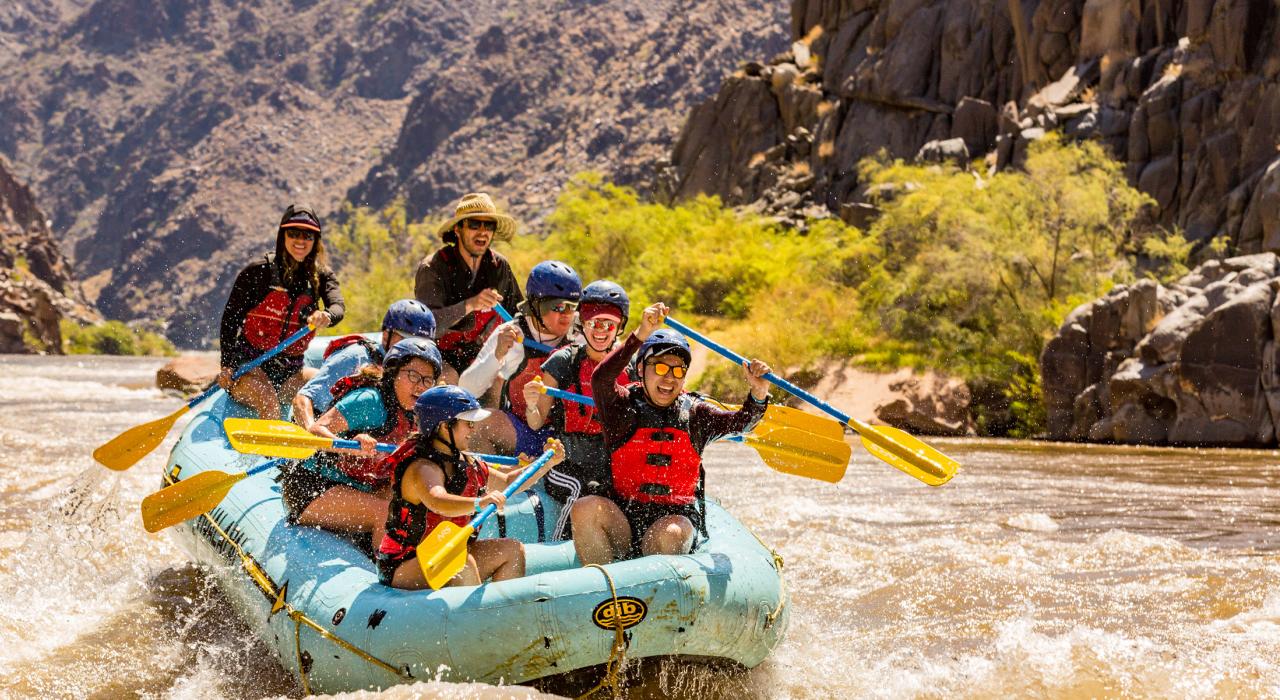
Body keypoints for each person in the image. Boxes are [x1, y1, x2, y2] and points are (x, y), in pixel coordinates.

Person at [571, 303, 773, 565]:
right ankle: (603, 595)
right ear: (642, 370)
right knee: (585, 508)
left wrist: (758, 394)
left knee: (671, 533)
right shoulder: (621, 407)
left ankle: (656, 597)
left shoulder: (697, 415)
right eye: (661, 367)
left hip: (671, 522)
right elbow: (601, 379)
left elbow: (743, 423)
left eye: (678, 370)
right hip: (623, 520)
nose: (669, 378)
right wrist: (641, 334)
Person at [376, 385, 565, 589]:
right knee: (462, 565)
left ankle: (505, 614)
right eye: (468, 423)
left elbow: (508, 482)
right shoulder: (422, 468)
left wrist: (546, 463)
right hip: (406, 564)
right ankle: (481, 619)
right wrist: (479, 502)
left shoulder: (466, 461)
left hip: (447, 555)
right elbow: (438, 501)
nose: (473, 429)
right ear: (444, 426)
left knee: (511, 551)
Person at [276, 338, 443, 549]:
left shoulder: (416, 415)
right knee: (384, 511)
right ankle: (387, 573)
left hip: (358, 486)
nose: (420, 386)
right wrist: (350, 444)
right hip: (313, 486)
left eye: (427, 380)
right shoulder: (369, 401)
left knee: (411, 504)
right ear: (393, 374)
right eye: (413, 376)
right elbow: (316, 432)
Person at [522, 280, 632, 540]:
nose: (601, 331)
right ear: (583, 324)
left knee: (612, 489)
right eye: (595, 323)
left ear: (619, 328)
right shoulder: (563, 361)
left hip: (607, 463)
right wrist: (530, 403)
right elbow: (536, 422)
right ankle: (559, 547)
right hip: (566, 462)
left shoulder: (632, 365)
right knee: (581, 488)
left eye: (609, 325)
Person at [218, 204, 344, 420]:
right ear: (282, 236)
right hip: (248, 368)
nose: (300, 240)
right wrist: (227, 364)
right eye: (293, 233)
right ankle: (270, 455)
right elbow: (231, 319)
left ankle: (320, 450)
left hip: (290, 373)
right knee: (267, 399)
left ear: (315, 241)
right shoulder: (258, 272)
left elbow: (337, 307)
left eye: (307, 235)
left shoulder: (322, 276)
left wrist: (327, 316)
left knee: (333, 389)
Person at [458, 260, 581, 455]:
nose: (567, 315)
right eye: (558, 307)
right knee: (481, 424)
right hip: (523, 432)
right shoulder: (511, 334)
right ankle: (489, 482)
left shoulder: (583, 334)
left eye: (572, 306)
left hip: (571, 439)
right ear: (536, 305)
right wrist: (497, 356)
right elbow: (465, 390)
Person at [414, 193, 523, 382]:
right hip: (436, 354)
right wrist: (470, 305)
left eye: (488, 225)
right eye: (474, 224)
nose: (482, 232)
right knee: (449, 378)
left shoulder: (499, 266)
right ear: (458, 229)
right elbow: (426, 326)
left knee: (499, 378)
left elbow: (518, 314)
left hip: (482, 355)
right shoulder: (433, 268)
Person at [292, 299, 436, 432]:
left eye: (423, 344)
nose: (415, 348)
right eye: (408, 340)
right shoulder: (356, 356)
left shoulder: (419, 377)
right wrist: (313, 438)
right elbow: (302, 399)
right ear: (386, 335)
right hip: (326, 433)